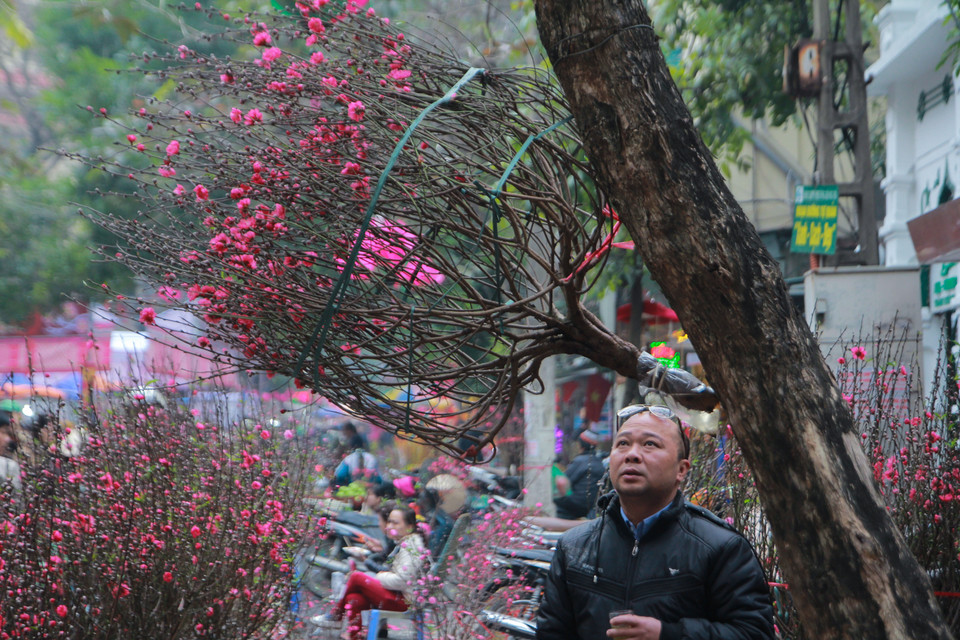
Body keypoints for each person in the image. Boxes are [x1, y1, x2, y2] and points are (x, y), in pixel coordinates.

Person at [536, 403, 775, 640]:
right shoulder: (574, 547)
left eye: (650, 444)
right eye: (623, 443)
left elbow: (754, 633)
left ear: (681, 470)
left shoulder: (721, 548)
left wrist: (668, 634)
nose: (632, 454)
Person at [313, 504, 429, 640]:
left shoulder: (412, 546)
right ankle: (352, 636)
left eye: (395, 523)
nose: (389, 526)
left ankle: (336, 616)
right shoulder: (404, 542)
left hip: (405, 600)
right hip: (397, 594)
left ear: (409, 527)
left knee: (356, 577)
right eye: (389, 521)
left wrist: (379, 577)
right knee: (353, 599)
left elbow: (401, 581)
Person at [553, 428, 606, 520]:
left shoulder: (580, 461)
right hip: (589, 506)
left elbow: (564, 481)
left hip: (573, 506)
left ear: (580, 445)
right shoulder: (599, 463)